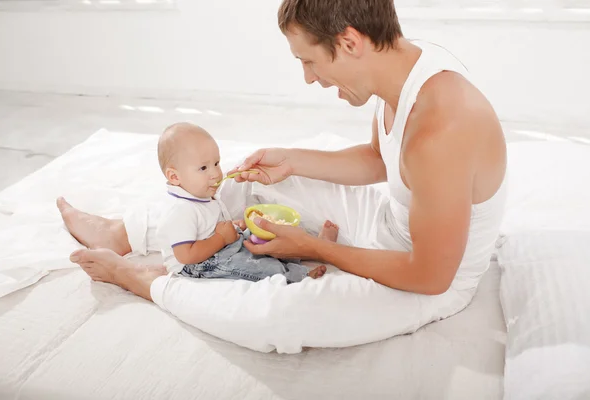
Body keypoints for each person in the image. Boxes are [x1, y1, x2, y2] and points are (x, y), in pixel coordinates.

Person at [57, 0, 507, 349]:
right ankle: (124, 232)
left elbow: (430, 276)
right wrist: (293, 160)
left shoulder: (441, 128)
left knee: (279, 317)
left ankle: (144, 278)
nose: (310, 78)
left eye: (309, 61)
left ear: (349, 42)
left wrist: (314, 248)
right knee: (246, 180)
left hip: (426, 278)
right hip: (392, 225)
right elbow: (379, 157)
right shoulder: (403, 67)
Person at [154, 121, 328, 282]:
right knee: (254, 265)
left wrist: (235, 227)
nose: (215, 173)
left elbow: (210, 225)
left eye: (216, 163)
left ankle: (310, 250)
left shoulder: (199, 194)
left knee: (265, 239)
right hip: (198, 264)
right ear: (175, 176)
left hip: (222, 245)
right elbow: (186, 255)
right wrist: (221, 238)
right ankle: (296, 276)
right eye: (203, 168)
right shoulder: (181, 210)